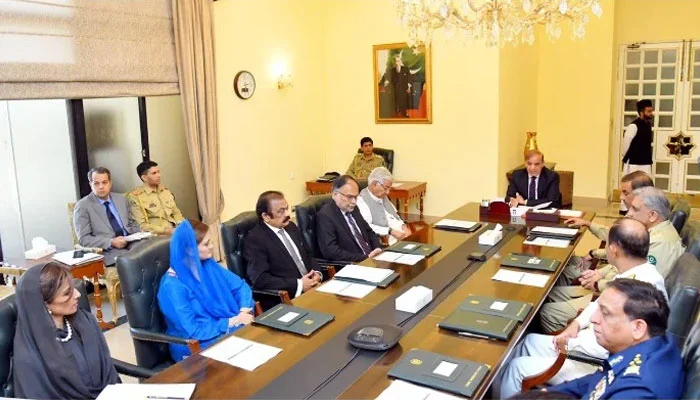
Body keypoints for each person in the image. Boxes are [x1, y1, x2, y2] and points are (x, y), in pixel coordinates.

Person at [496, 218, 667, 398]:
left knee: (517, 368)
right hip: (586, 343)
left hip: (593, 360)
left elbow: (610, 344)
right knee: (529, 341)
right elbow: (598, 305)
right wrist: (575, 325)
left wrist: (570, 343)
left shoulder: (639, 286)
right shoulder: (634, 271)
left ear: (614, 248)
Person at [539, 185, 682, 333]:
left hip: (620, 308)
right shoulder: (655, 233)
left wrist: (598, 283)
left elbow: (636, 289)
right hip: (613, 292)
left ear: (652, 215)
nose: (628, 214)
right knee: (550, 293)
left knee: (547, 311)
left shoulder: (660, 243)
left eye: (635, 209)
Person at [543, 279, 683, 399]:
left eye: (605, 313)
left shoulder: (637, 389)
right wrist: (544, 396)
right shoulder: (656, 344)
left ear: (638, 328)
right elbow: (593, 383)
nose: (593, 319)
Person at [13, 262, 120, 399]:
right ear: (43, 304)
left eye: (73, 288)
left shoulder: (85, 322)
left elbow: (108, 372)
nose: (78, 294)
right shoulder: (30, 355)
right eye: (66, 293)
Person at [158, 219, 255, 361]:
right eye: (206, 244)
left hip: (222, 329)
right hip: (195, 344)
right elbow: (193, 331)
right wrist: (232, 322)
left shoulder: (207, 265)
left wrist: (243, 310)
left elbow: (240, 286)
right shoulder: (172, 286)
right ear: (189, 250)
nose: (212, 246)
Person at [244, 191, 322, 308]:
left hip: (313, 288)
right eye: (281, 211)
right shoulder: (255, 239)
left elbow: (308, 256)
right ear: (266, 217)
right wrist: (299, 284)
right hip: (287, 298)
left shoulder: (291, 227)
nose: (287, 214)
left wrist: (317, 273)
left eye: (287, 208)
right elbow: (260, 279)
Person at [73, 167, 141, 266]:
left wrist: (140, 234)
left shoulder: (121, 199)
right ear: (90, 184)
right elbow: (84, 239)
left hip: (130, 241)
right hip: (109, 250)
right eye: (96, 183)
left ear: (110, 183)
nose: (101, 187)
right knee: (134, 261)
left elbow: (132, 223)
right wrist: (111, 242)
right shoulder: (82, 206)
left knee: (154, 250)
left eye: (104, 182)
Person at [317, 175, 383, 262]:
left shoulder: (354, 209)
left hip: (372, 259)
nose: (354, 202)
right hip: (353, 264)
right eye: (349, 197)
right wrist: (365, 258)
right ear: (334, 194)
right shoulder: (326, 215)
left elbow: (369, 232)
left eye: (356, 197)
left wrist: (377, 248)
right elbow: (331, 251)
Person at [127, 160, 185, 235]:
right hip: (158, 235)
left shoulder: (165, 191)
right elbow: (141, 225)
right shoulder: (137, 197)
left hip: (175, 230)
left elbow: (177, 213)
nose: (159, 175)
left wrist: (181, 225)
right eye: (154, 173)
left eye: (158, 172)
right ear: (144, 177)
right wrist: (166, 231)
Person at [356, 167, 411, 245]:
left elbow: (394, 215)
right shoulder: (361, 201)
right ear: (375, 184)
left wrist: (403, 226)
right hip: (386, 242)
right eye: (386, 188)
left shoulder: (382, 196)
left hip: (401, 238)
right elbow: (366, 226)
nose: (388, 192)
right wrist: (390, 231)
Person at [620, 99, 654, 213]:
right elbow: (626, 144)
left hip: (645, 161)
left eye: (651, 111)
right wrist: (626, 157)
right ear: (641, 112)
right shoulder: (633, 126)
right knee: (631, 186)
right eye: (648, 111)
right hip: (633, 162)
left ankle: (643, 207)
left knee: (646, 186)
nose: (651, 114)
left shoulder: (648, 125)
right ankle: (625, 208)